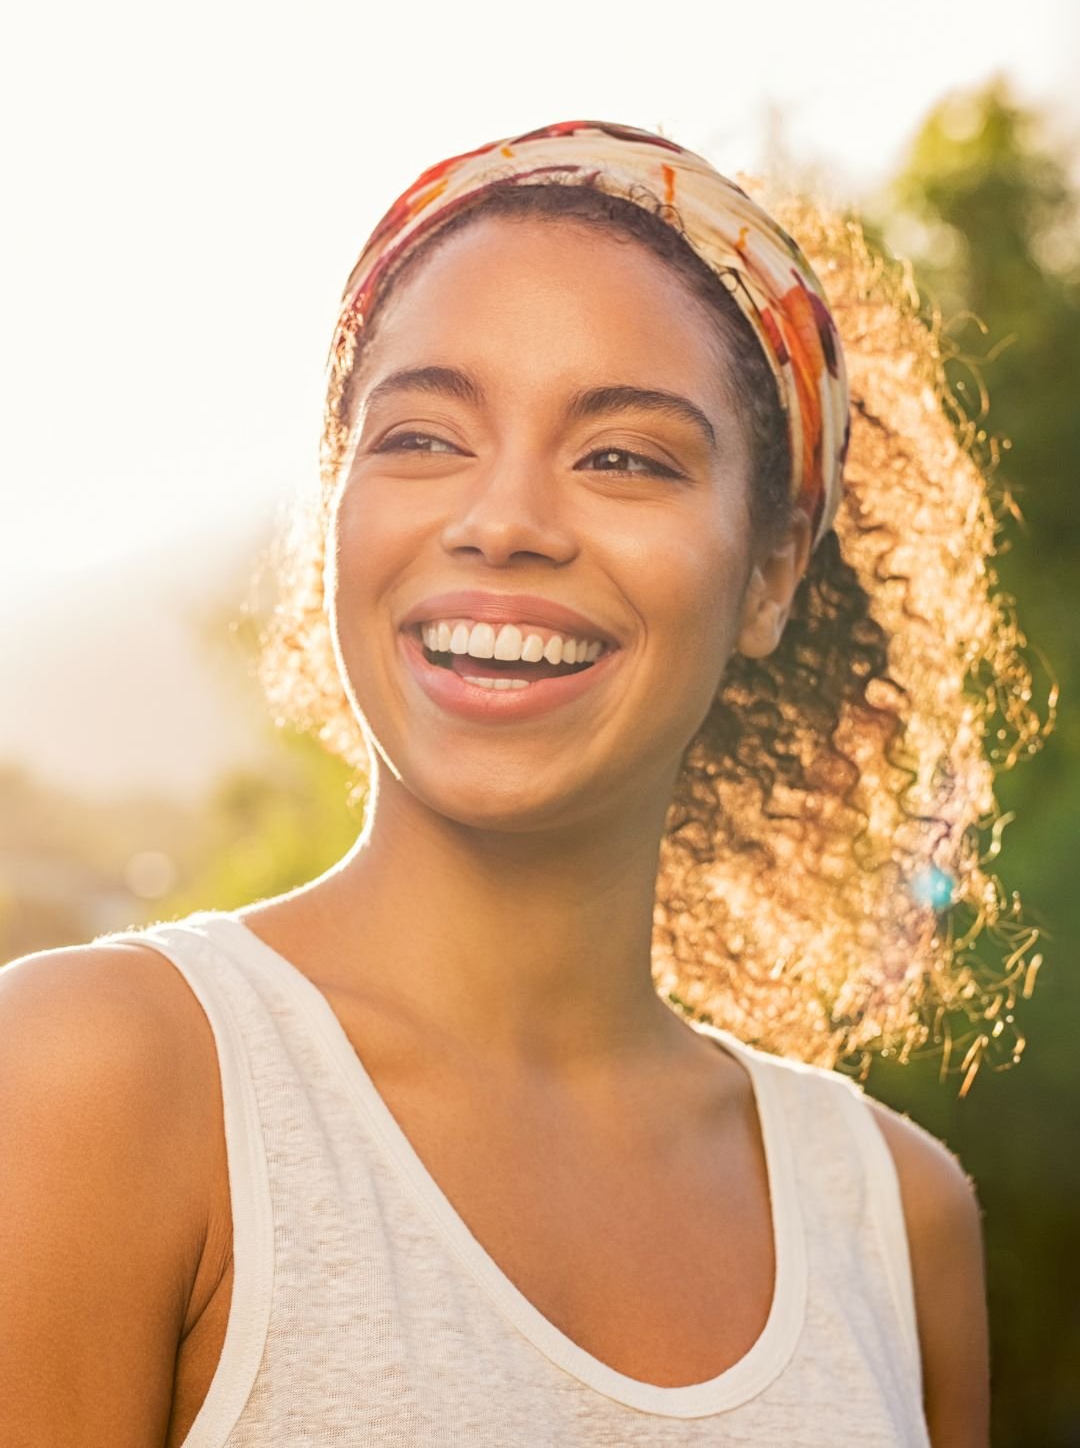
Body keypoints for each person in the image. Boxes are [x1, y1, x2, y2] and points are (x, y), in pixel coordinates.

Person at [7, 118, 1046, 1446]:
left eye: (622, 456)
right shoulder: (94, 1084)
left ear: (773, 570)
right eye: (424, 437)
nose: (500, 520)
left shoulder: (894, 1222)